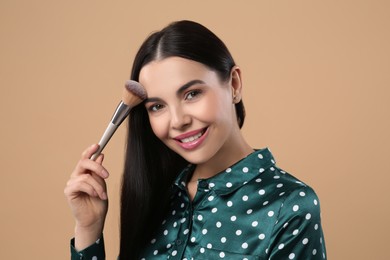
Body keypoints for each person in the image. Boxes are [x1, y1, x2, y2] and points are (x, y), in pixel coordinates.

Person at [64, 20, 327, 260]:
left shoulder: (289, 205)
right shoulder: (157, 195)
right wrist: (88, 229)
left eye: (191, 94)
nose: (177, 121)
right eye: (157, 106)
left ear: (233, 84)